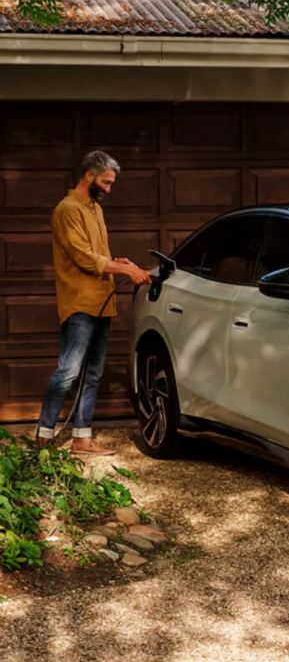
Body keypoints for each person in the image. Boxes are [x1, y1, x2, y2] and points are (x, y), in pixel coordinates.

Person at [36, 150, 152, 455]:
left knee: (94, 373)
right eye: (106, 182)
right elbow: (84, 257)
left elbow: (97, 254)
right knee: (68, 371)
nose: (109, 189)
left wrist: (117, 261)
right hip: (80, 304)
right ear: (90, 176)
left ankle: (82, 439)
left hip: (102, 301)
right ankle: (43, 434)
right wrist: (126, 269)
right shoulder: (67, 210)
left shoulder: (95, 209)